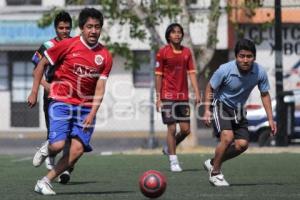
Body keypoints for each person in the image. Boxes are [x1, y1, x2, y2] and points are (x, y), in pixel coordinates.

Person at [27, 8, 113, 195]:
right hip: (61, 102)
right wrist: (35, 91)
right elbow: (41, 64)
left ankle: (44, 181)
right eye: (89, 27)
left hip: (85, 108)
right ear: (82, 28)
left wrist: (92, 113)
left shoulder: (105, 56)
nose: (93, 31)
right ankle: (47, 148)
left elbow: (100, 87)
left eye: (97, 27)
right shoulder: (66, 45)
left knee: (77, 150)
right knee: (58, 145)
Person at [203, 38, 277, 186]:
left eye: (249, 56)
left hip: (238, 109)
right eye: (241, 56)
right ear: (236, 57)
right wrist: (206, 109)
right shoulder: (225, 69)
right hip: (221, 105)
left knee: (242, 145)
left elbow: (264, 94)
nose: (245, 60)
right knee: (227, 137)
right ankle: (215, 173)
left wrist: (270, 119)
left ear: (254, 57)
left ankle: (212, 162)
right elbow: (210, 87)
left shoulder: (259, 72)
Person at [31, 10, 73, 184]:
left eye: (67, 28)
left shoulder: (75, 44)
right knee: (56, 136)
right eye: (61, 28)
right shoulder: (47, 45)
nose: (64, 31)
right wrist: (46, 87)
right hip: (52, 97)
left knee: (72, 135)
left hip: (72, 96)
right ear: (56, 29)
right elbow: (36, 69)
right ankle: (50, 158)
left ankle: (65, 171)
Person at [155, 23, 200, 172]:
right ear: (169, 35)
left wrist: (197, 92)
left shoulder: (187, 52)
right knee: (172, 128)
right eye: (174, 32)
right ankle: (173, 161)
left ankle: (169, 148)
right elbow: (158, 76)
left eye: (179, 32)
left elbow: (192, 73)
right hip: (167, 96)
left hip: (183, 97)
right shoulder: (162, 53)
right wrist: (158, 97)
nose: (177, 34)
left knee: (186, 130)